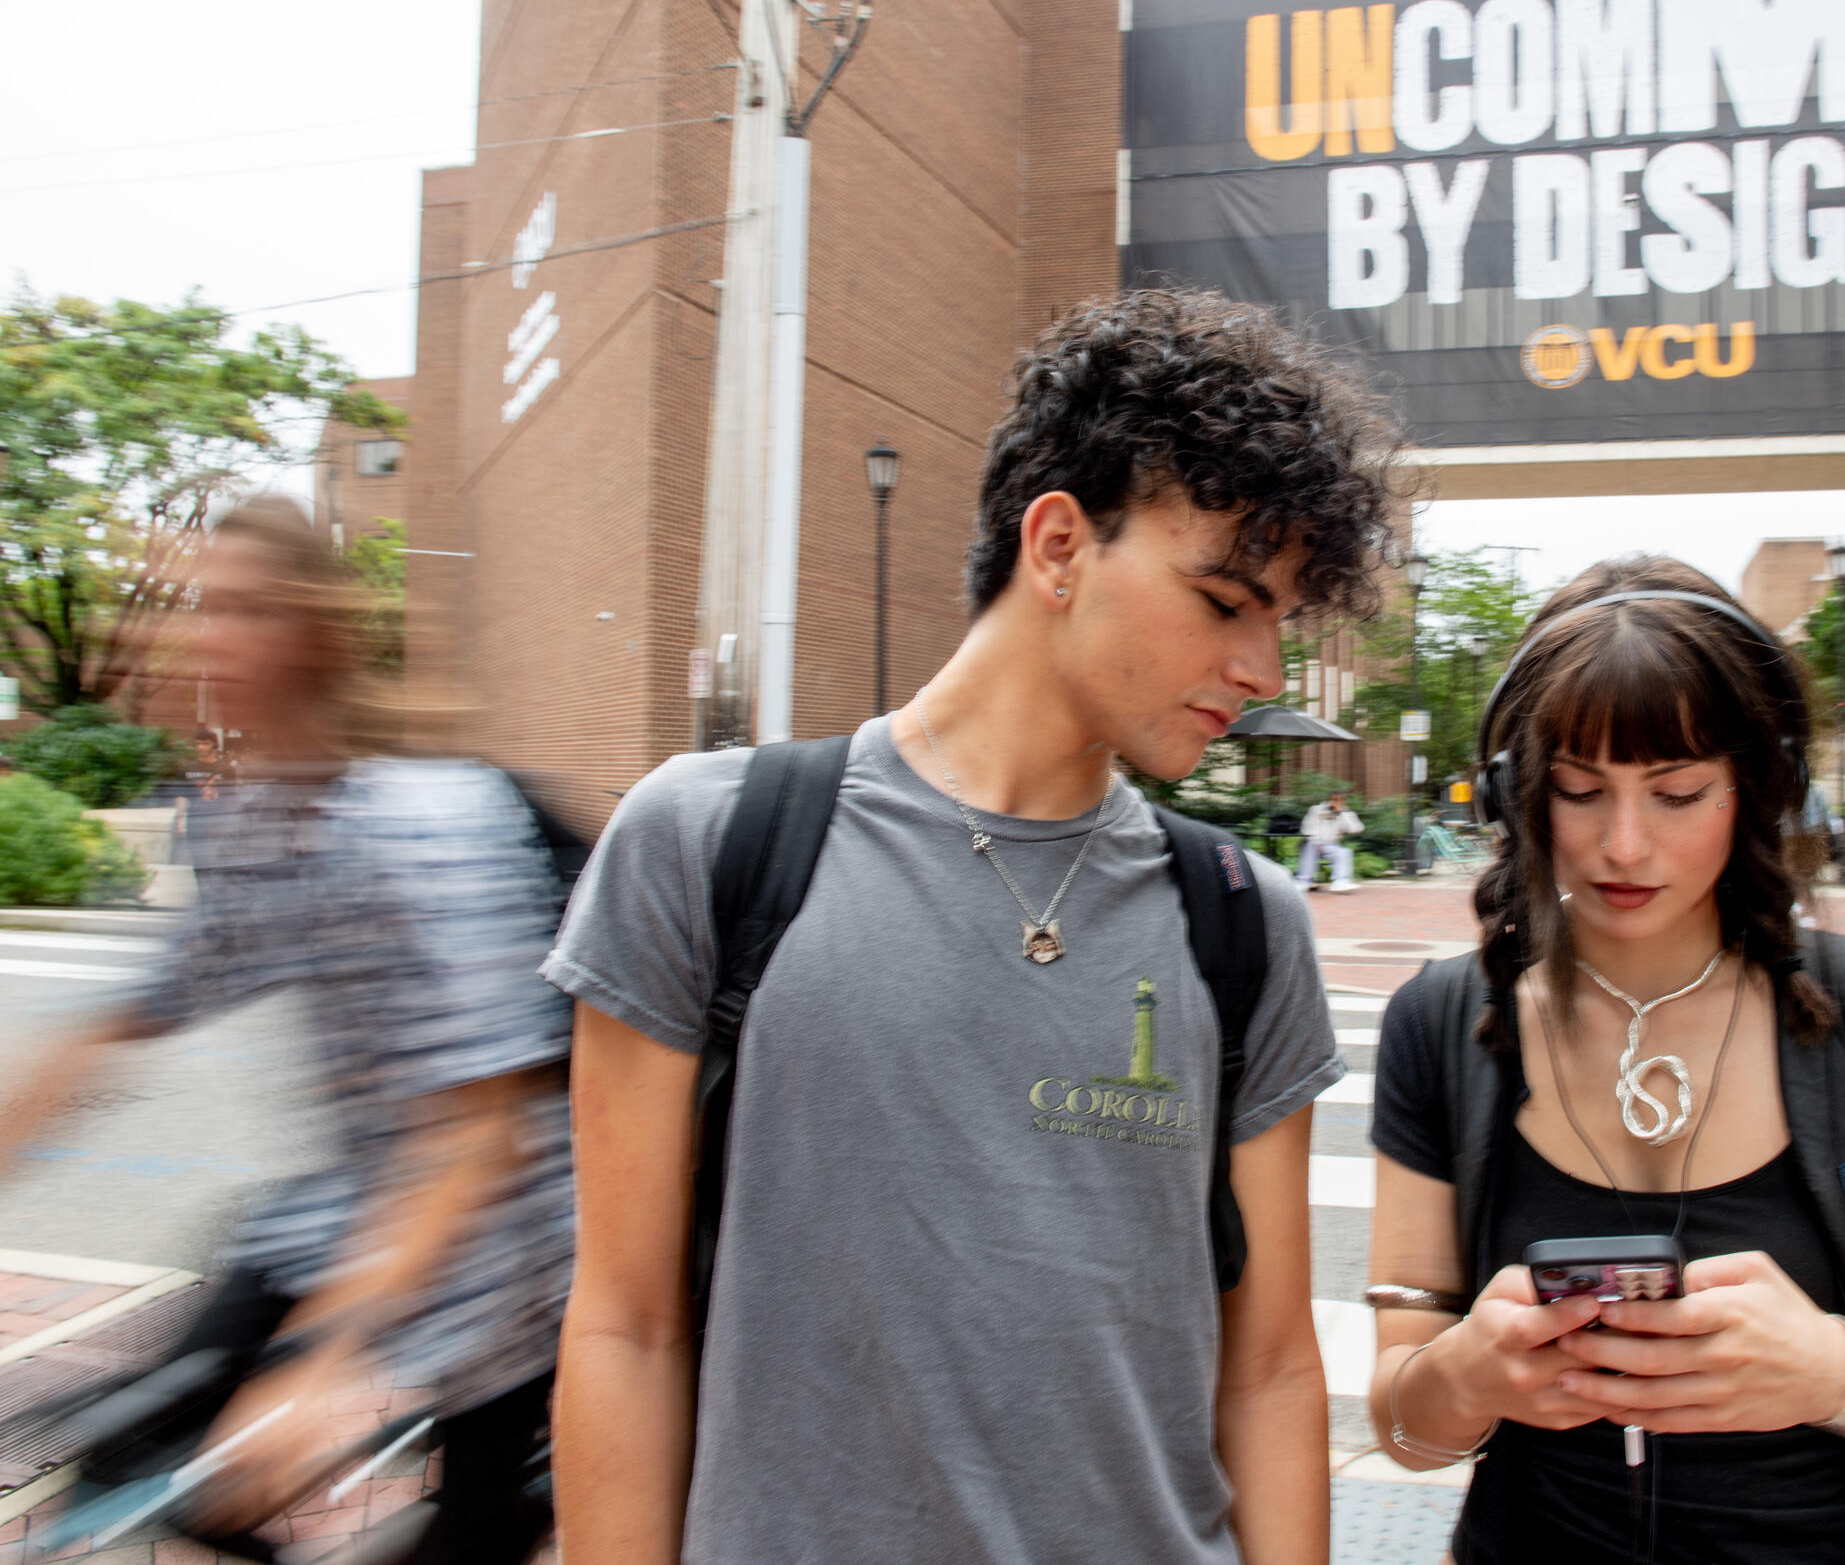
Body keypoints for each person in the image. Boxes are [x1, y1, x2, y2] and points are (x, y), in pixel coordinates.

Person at [546, 288, 1402, 1565]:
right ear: (1057, 545)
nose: (1264, 668)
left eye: (1281, 616)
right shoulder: (710, 844)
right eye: (1227, 600)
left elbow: (1271, 1368)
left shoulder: (1240, 920)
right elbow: (624, 1323)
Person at [1362, 555, 1845, 1565]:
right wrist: (1468, 1374)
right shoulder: (1440, 1024)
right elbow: (1405, 1428)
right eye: (1577, 790)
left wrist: (1836, 1376)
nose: (1624, 844)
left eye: (1678, 791)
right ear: (1519, 792)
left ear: (1760, 786)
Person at [0, 496, 574, 1564]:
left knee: (470, 1533)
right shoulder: (253, 828)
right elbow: (111, 1027)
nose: (204, 635)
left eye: (243, 608)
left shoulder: (424, 823)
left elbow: (483, 1134)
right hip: (348, 1214)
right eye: (199, 608)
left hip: (511, 1253)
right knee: (146, 1457)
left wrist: (327, 1359)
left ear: (315, 629)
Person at [1296, 789, 1362, 892]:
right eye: (1334, 799)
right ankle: (1303, 881)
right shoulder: (1316, 810)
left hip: (1331, 845)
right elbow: (1307, 828)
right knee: (1310, 847)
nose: (1336, 802)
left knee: (1344, 852)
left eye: (1339, 800)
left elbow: (1356, 829)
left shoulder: (1347, 814)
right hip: (1313, 842)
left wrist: (1342, 814)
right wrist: (1316, 841)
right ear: (1329, 799)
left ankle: (1340, 882)